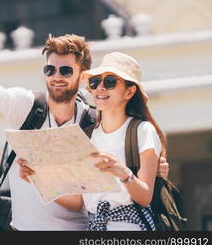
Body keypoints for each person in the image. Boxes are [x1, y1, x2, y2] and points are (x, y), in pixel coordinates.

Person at [0, 34, 168, 230]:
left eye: (66, 70)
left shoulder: (93, 121)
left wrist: (154, 168)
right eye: (50, 69)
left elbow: (88, 194)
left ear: (82, 76)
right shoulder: (27, 107)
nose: (56, 77)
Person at [20, 51, 165, 230]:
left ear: (129, 91)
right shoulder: (86, 135)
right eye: (95, 82)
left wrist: (123, 174)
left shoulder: (143, 131)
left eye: (110, 82)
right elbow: (79, 201)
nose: (100, 88)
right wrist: (38, 178)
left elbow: (145, 197)